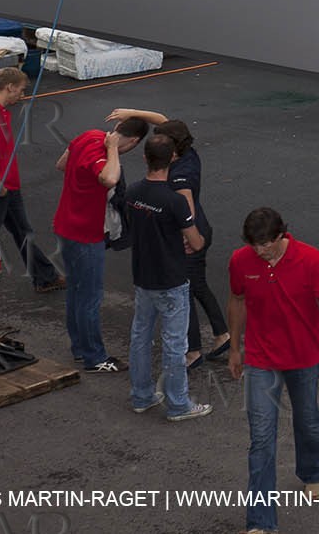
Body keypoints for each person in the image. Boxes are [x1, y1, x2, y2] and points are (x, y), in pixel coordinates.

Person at [228, 206, 319, 534]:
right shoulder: (240, 260)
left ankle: (313, 471)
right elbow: (236, 300)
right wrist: (235, 348)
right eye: (254, 245)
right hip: (261, 361)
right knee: (261, 439)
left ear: (281, 236)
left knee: (307, 421)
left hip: (304, 359)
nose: (259, 251)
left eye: (264, 244)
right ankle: (260, 523)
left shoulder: (310, 258)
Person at [107, 110, 231, 370]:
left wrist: (184, 237)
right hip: (201, 229)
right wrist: (132, 112)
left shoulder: (179, 173)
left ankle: (193, 350)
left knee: (184, 291)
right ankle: (222, 335)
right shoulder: (187, 149)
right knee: (198, 285)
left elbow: (186, 206)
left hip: (189, 235)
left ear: (172, 149)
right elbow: (162, 119)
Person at [53, 114, 149, 373]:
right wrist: (112, 150)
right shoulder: (105, 152)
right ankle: (95, 357)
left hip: (65, 225)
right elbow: (109, 179)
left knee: (75, 290)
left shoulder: (87, 135)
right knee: (90, 296)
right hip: (86, 233)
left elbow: (62, 164)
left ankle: (79, 347)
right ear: (133, 141)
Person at [126, 134, 212, 421]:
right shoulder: (174, 201)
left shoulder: (133, 192)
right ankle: (178, 404)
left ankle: (141, 395)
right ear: (172, 159)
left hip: (143, 276)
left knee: (140, 337)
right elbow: (196, 242)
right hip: (171, 279)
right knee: (175, 345)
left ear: (144, 158)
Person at [0, 68, 65, 293]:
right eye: (21, 90)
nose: (22, 96)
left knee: (23, 232)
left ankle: (44, 277)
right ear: (9, 87)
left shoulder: (1, 111)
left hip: (8, 187)